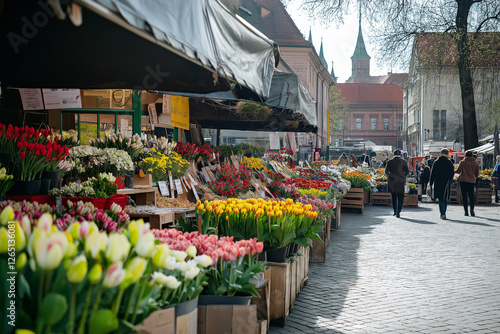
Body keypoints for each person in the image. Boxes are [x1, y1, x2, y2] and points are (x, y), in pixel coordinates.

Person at [429, 148, 455, 219]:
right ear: (447, 154)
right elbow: (452, 173)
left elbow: (432, 173)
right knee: (445, 198)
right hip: (446, 182)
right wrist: (450, 179)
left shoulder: (436, 162)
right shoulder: (449, 162)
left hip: (438, 182)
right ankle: (444, 212)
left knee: (440, 198)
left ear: (440, 153)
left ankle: (442, 213)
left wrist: (431, 182)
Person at [385, 149, 409, 218]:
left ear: (393, 154)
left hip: (392, 182)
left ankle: (395, 211)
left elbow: (386, 172)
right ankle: (399, 211)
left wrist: (390, 176)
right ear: (400, 154)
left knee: (393, 197)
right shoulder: (404, 162)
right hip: (400, 182)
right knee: (400, 197)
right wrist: (403, 176)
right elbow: (407, 172)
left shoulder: (390, 162)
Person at [455, 150, 480, 216]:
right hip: (472, 181)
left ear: (465, 155)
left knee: (464, 196)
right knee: (471, 196)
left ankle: (466, 211)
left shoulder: (463, 162)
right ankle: (472, 210)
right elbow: (477, 174)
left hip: (463, 180)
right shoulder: (476, 163)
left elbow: (458, 171)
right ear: (472, 155)